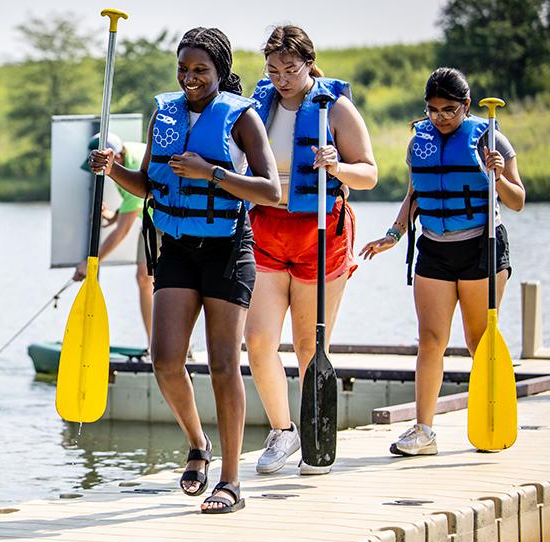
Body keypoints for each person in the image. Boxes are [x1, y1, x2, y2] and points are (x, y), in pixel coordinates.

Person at [87, 27, 281, 513]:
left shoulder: (242, 118)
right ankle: (198, 444)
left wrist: (210, 172)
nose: (190, 78)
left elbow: (270, 191)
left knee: (221, 363)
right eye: (184, 68)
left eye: (200, 70)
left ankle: (231, 482)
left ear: (220, 72)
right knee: (166, 358)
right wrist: (112, 169)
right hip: (175, 246)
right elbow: (150, 184)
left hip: (227, 249)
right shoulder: (165, 114)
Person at [359, 67, 525, 455]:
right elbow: (416, 194)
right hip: (433, 248)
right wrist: (393, 234)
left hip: (480, 247)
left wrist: (497, 176)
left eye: (449, 110)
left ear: (467, 106)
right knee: (431, 340)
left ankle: (493, 417)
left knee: (478, 340)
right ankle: (423, 431)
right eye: (433, 110)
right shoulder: (421, 142)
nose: (441, 118)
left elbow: (517, 201)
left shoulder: (490, 136)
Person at [245, 25, 378, 476]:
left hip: (321, 235)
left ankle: (315, 437)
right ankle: (283, 432)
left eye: (291, 68)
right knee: (258, 339)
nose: (282, 78)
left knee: (308, 345)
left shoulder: (335, 108)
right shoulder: (258, 107)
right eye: (273, 69)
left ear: (308, 63)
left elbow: (369, 174)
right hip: (267, 229)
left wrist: (337, 165)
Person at [75, 133, 154, 350]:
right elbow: (133, 206)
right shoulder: (123, 156)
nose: (99, 171)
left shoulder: (136, 164)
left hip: (168, 221)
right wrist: (112, 217)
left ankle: (158, 346)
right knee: (145, 278)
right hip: (151, 219)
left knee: (148, 279)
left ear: (114, 157)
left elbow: (123, 230)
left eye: (101, 165)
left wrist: (90, 262)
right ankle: (153, 345)